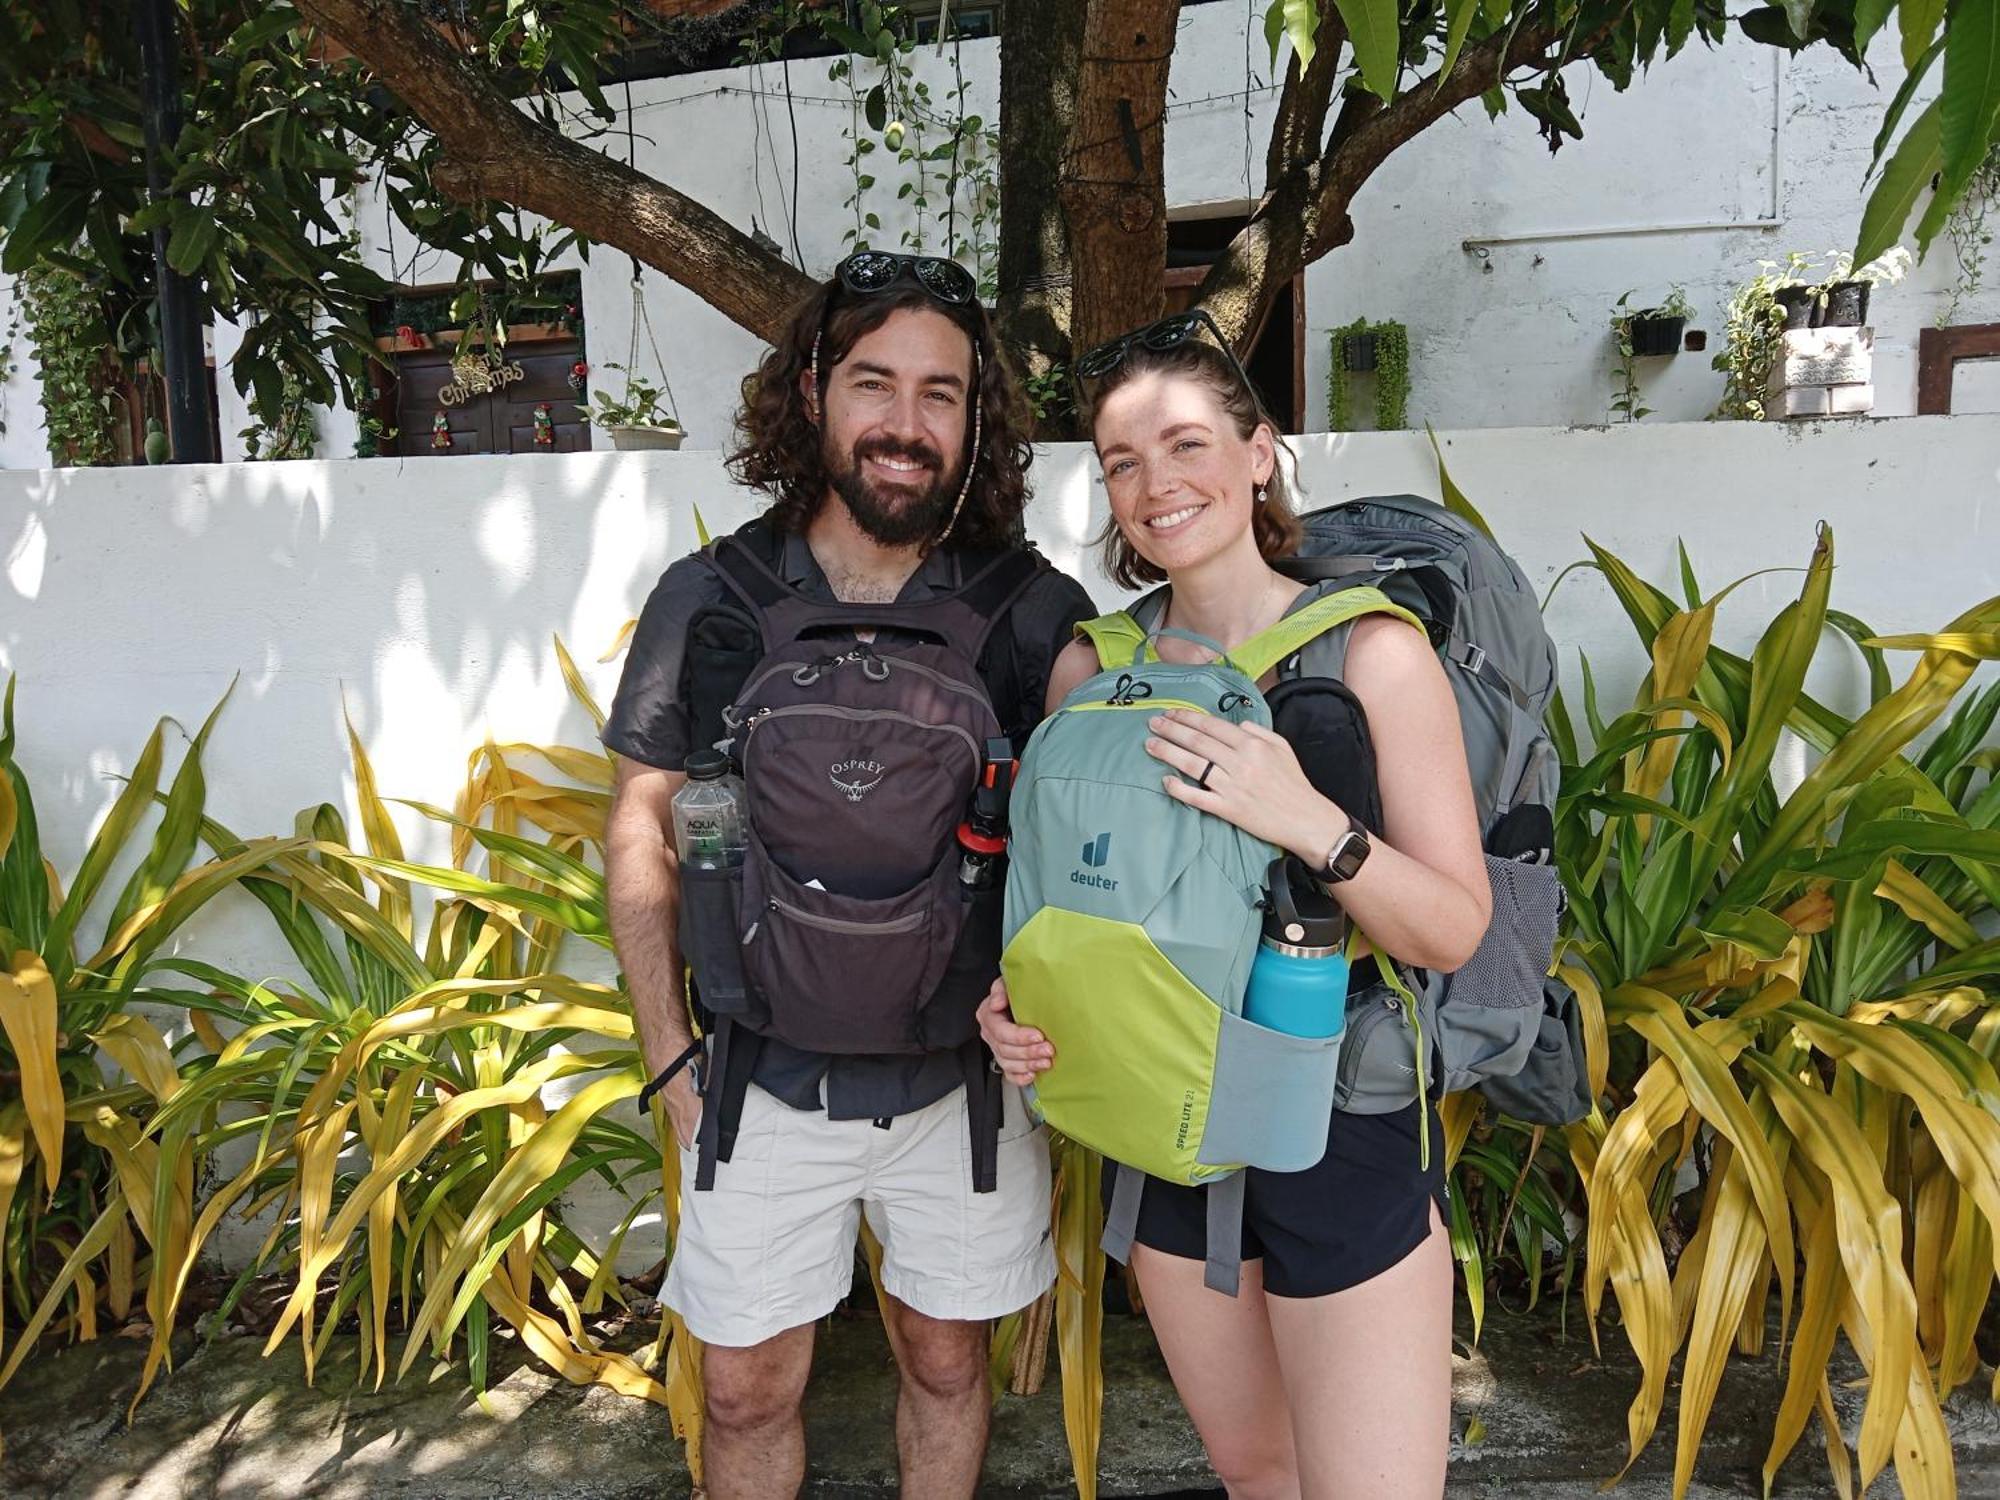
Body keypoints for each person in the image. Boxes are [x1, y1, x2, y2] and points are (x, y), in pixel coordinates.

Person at [600, 251, 1094, 1500]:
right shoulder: (709, 600)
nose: (904, 423)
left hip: (962, 1086)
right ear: (813, 392)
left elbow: (1097, 846)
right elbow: (639, 831)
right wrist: (669, 1062)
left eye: (940, 394)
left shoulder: (1035, 614)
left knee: (942, 1362)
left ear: (975, 422)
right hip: (758, 1077)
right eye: (874, 383)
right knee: (744, 1387)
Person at [977, 312, 1492, 1500]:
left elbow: (1453, 927)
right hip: (1160, 1123)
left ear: (1259, 453)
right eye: (1120, 461)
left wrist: (1304, 816)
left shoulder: (1369, 655)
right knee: (1257, 1474)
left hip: (1339, 1111)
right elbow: (1053, 911)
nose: (1155, 485)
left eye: (1185, 443)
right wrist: (1009, 1007)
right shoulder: (1093, 670)